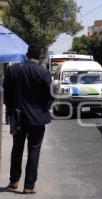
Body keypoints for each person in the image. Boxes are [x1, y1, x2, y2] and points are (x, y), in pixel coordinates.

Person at [3, 45, 52, 194]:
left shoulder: (12, 70)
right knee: (34, 150)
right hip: (37, 119)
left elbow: (7, 95)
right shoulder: (44, 72)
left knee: (16, 148)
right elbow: (50, 96)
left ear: (26, 54)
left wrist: (11, 111)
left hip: (17, 117)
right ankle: (29, 185)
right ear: (40, 57)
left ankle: (13, 181)